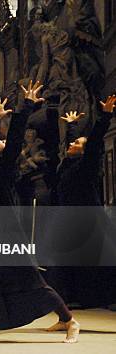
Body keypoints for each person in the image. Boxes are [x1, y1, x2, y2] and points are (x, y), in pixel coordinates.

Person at [0, 82, 79, 344]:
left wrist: (26, 107)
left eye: (2, 140)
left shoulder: (5, 169)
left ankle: (69, 320)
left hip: (4, 237)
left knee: (30, 280)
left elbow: (15, 138)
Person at [43, 96, 116, 314]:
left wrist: (105, 116)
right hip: (70, 224)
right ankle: (65, 310)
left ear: (83, 152)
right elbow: (72, 145)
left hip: (88, 224)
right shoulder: (69, 164)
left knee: (96, 270)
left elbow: (93, 145)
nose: (72, 144)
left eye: (76, 144)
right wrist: (72, 127)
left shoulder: (86, 166)